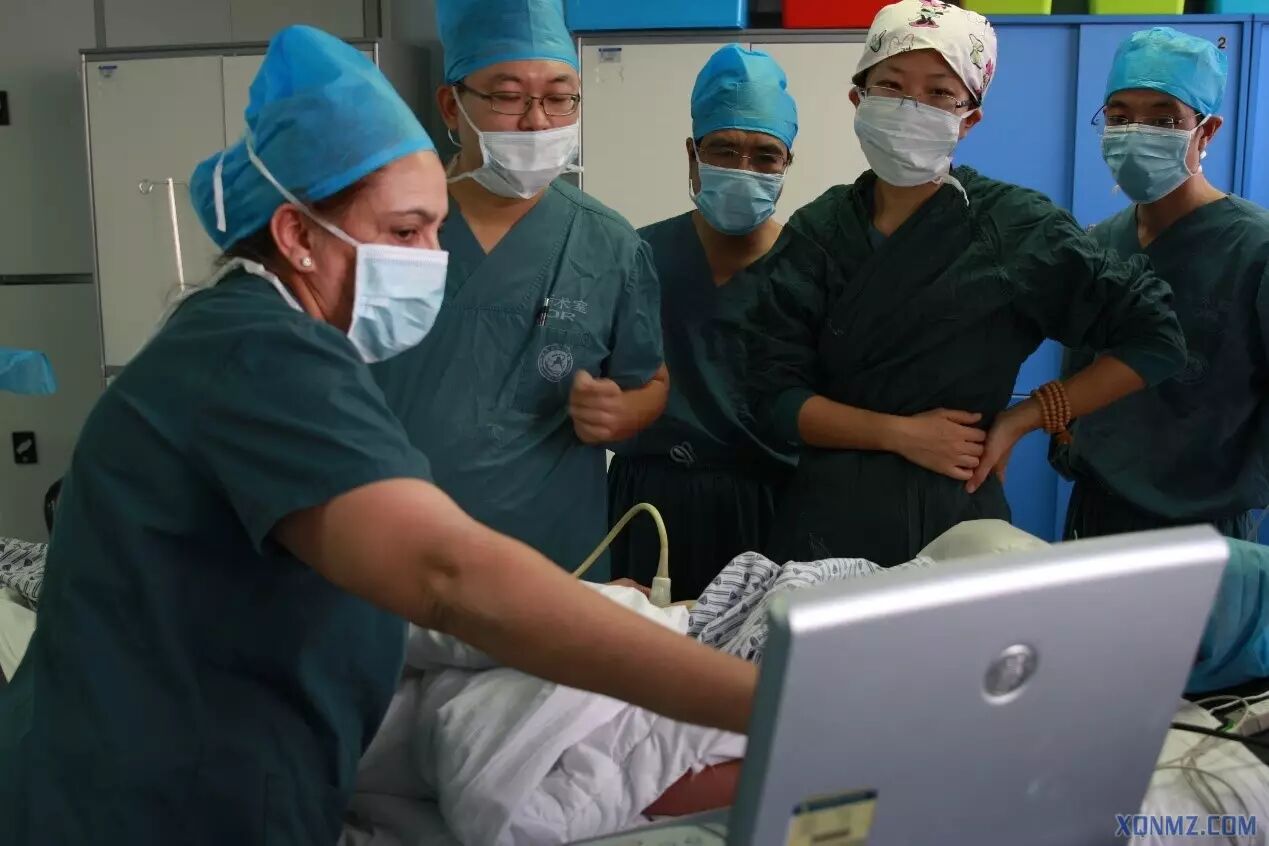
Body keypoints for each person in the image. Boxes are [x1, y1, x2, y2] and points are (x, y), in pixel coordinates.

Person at [0, 27, 755, 846]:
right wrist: (760, 700)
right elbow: (444, 576)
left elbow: (354, 596)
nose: (432, 259)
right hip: (143, 805)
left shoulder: (274, 339)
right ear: (296, 236)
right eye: (403, 234)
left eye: (435, 230)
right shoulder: (258, 356)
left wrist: (604, 606)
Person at [736, 0, 1187, 566]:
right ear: (858, 99)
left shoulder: (1014, 228)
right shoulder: (818, 232)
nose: (911, 107)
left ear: (969, 118)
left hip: (955, 520)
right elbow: (770, 398)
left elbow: (1155, 338)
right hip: (823, 526)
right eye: (891, 86)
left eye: (939, 93)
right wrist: (897, 433)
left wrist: (1028, 417)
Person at [372, 0, 668, 581]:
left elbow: (651, 381)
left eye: (560, 98)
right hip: (395, 558)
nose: (538, 122)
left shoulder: (608, 243)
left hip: (555, 565)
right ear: (450, 106)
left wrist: (623, 412)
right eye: (508, 97)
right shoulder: (382, 230)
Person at [1055, 27, 1268, 542]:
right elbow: (1077, 375)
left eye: (1164, 119)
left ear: (1207, 131)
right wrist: (1070, 443)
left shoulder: (1255, 248)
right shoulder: (1100, 243)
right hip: (1098, 510)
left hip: (1203, 527)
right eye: (1119, 116)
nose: (1136, 132)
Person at [608, 45, 799, 600]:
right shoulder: (638, 254)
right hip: (648, 497)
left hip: (768, 503)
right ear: (693, 154)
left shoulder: (812, 268)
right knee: (637, 643)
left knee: (754, 645)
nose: (743, 169)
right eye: (724, 150)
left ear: (788, 163)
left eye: (765, 155)